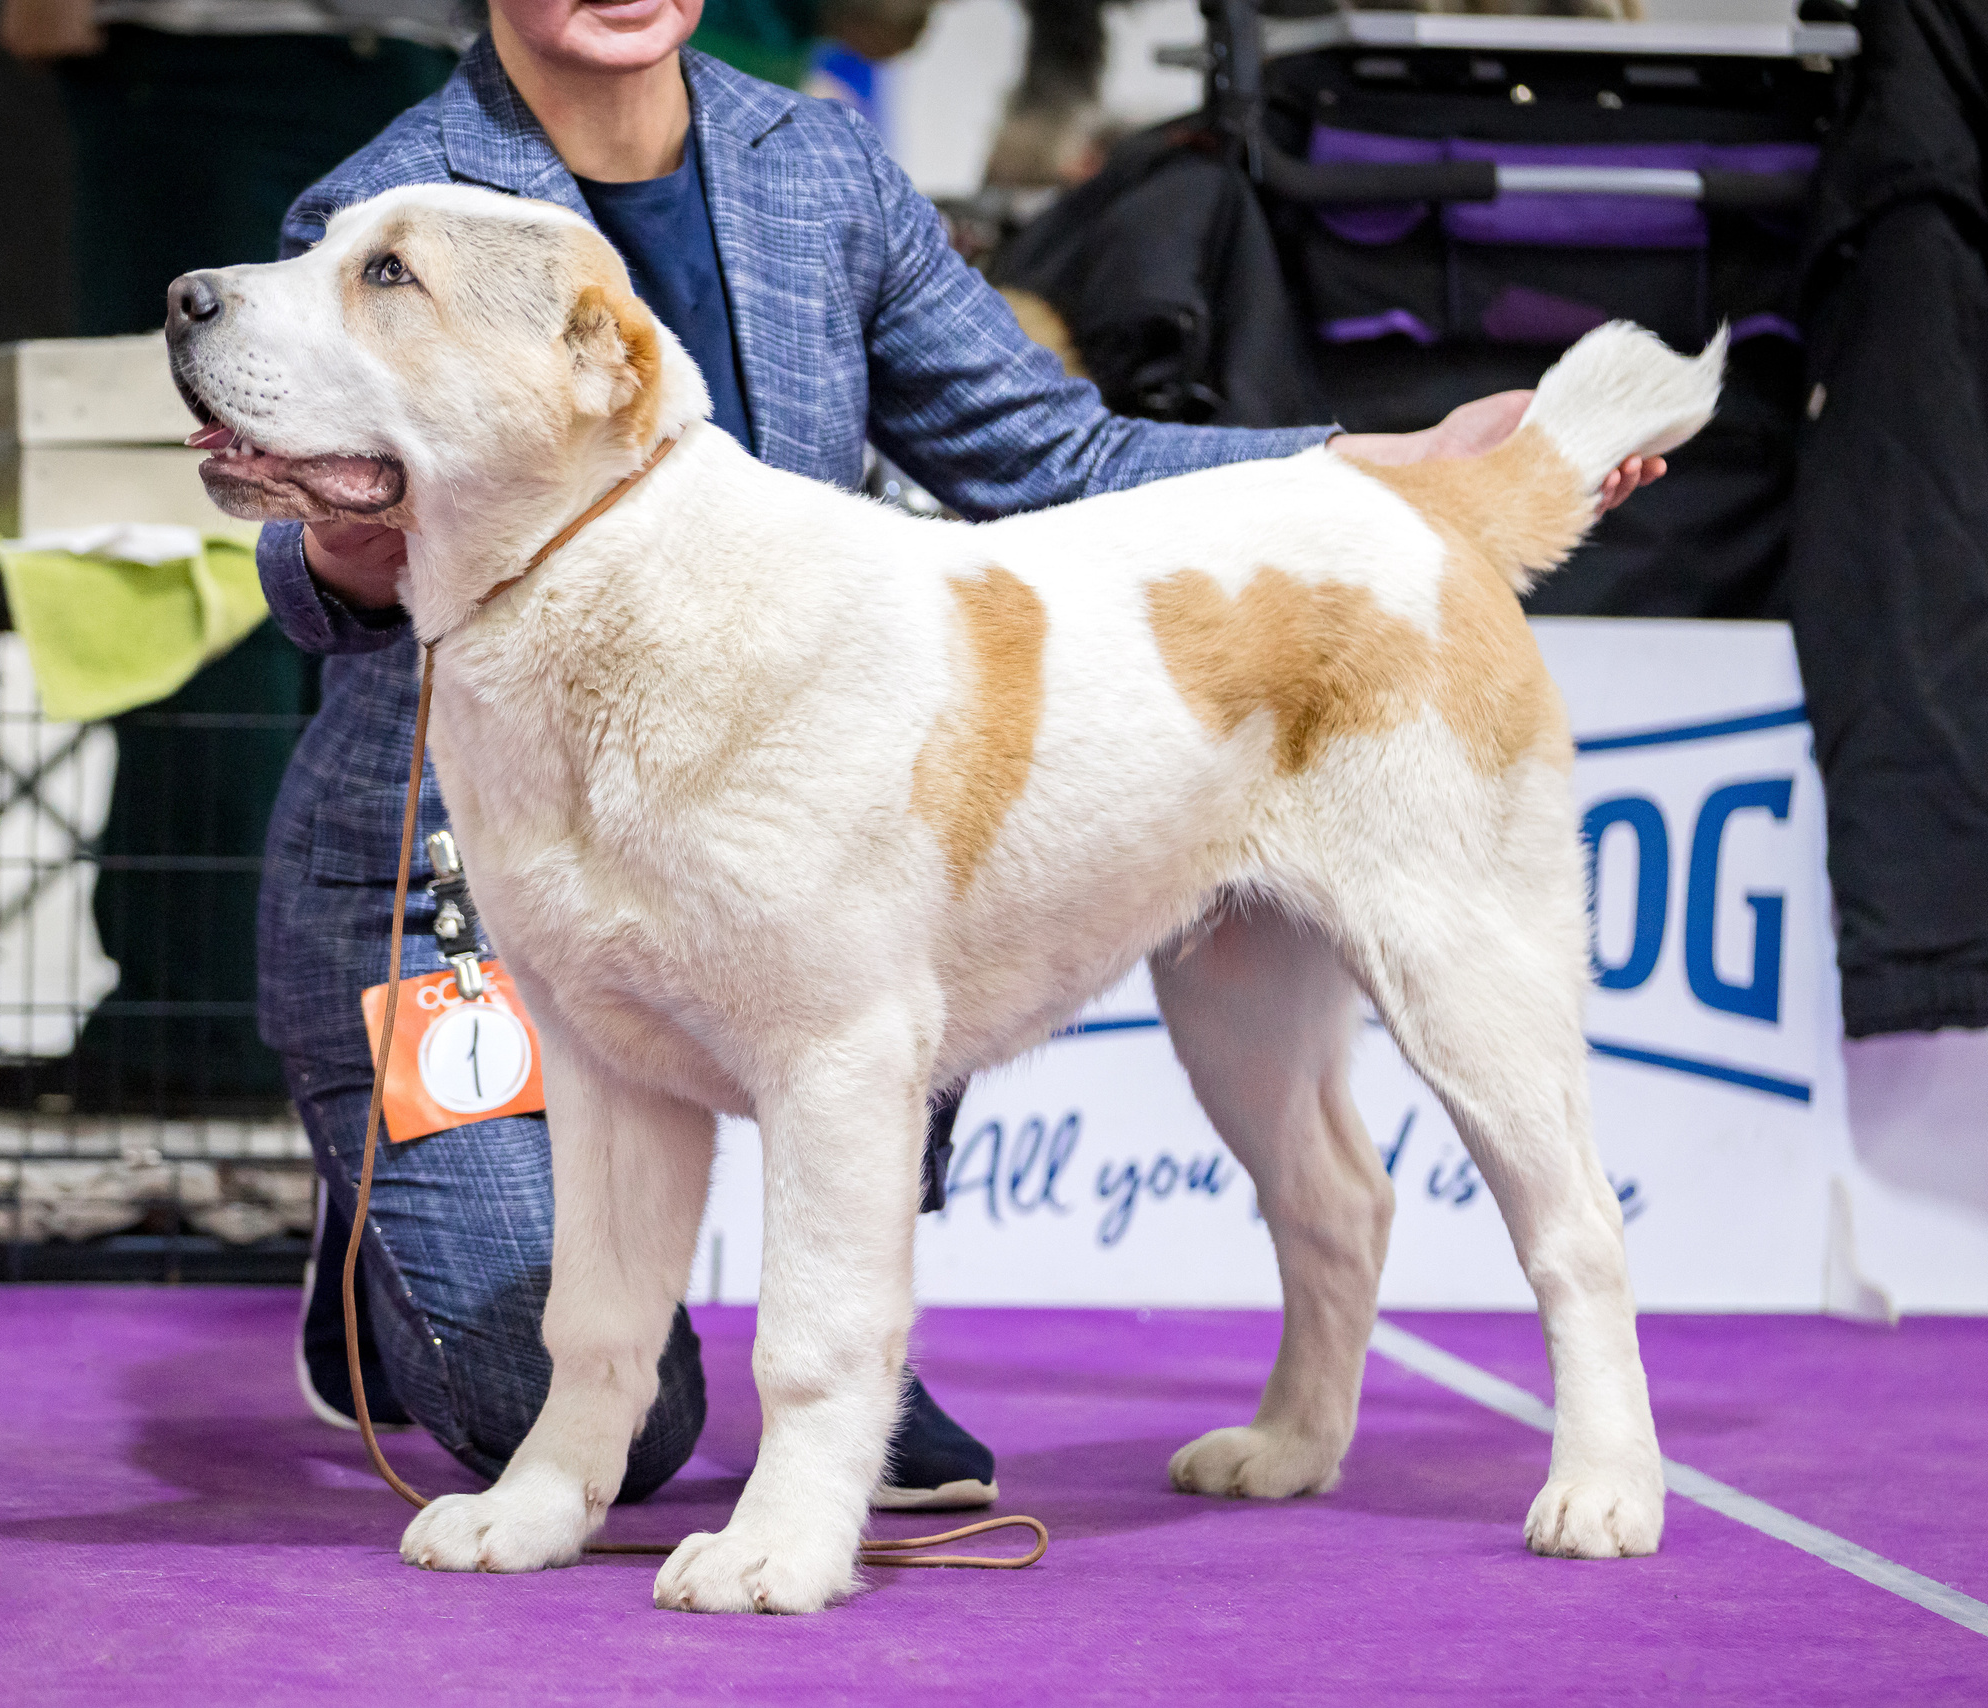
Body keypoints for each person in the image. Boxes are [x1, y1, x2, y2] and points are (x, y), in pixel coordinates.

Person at [256, 0, 1665, 1509]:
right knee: (580, 1403)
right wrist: (355, 537)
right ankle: (399, 1236)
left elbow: (1050, 453)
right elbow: (296, 584)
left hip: (797, 835)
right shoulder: (398, 200)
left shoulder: (814, 163)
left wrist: (1369, 469)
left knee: (906, 1002)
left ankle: (1561, 1400)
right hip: (459, 900)